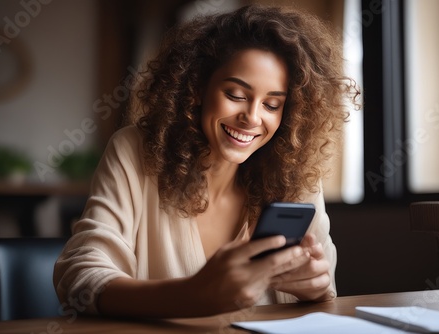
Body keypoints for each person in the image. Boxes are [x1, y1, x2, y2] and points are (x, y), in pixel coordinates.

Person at [53, 4, 359, 318]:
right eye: (236, 95)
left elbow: (326, 296)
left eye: (271, 104)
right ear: (198, 87)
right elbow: (79, 280)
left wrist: (318, 289)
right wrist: (194, 295)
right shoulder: (133, 151)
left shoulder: (295, 172)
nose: (252, 118)